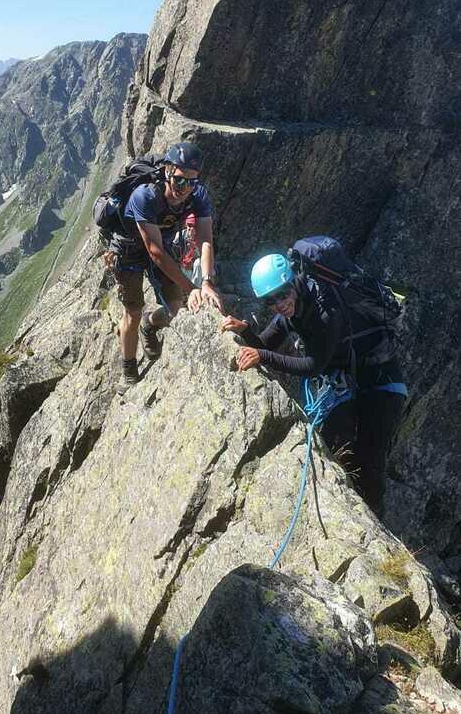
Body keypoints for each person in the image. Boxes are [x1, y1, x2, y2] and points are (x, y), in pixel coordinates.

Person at [221, 252, 407, 517]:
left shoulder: (324, 310)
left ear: (294, 282)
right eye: (270, 300)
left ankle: (376, 522)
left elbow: (312, 365)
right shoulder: (293, 309)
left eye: (282, 294)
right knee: (337, 448)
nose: (279, 303)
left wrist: (262, 356)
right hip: (350, 381)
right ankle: (350, 513)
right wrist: (244, 330)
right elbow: (264, 345)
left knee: (370, 456)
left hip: (382, 382)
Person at [111, 142, 223, 387]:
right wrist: (191, 287)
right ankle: (129, 368)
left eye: (192, 183)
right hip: (130, 249)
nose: (186, 189)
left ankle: (149, 325)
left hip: (161, 242)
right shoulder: (146, 195)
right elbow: (155, 253)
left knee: (175, 308)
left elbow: (205, 238)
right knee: (132, 310)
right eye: (181, 181)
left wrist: (206, 282)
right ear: (168, 172)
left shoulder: (198, 194)